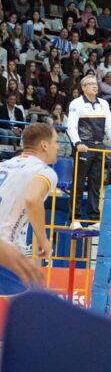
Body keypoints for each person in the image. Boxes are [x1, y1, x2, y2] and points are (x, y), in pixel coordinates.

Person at [0, 123, 57, 295]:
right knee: (34, 311)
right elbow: (32, 199)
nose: (58, 147)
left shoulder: (4, 165)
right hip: (6, 252)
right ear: (44, 145)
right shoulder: (44, 171)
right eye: (55, 142)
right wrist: (43, 240)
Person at [67, 74, 111, 229]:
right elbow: (71, 126)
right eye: (91, 84)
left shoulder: (103, 104)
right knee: (79, 183)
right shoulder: (76, 103)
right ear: (83, 87)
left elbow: (109, 126)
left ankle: (94, 219)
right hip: (84, 147)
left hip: (99, 147)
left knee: (96, 184)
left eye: (96, 84)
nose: (95, 86)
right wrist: (78, 143)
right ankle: (74, 219)